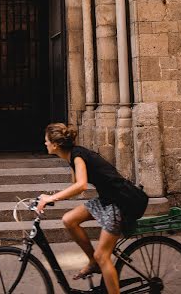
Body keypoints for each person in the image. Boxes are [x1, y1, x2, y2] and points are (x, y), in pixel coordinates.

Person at [36, 123, 145, 294]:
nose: (45, 144)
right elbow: (75, 185)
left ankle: (99, 262)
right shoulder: (73, 156)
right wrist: (51, 197)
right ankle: (93, 262)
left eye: (46, 141)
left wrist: (51, 198)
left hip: (121, 201)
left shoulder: (78, 155)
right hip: (108, 199)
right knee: (69, 219)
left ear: (55, 144)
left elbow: (81, 186)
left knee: (103, 256)